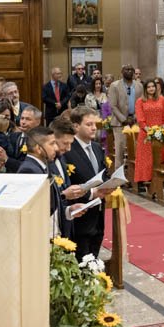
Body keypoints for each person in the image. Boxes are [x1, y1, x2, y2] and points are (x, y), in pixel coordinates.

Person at [18, 126, 84, 240]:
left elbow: (50, 203)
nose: (56, 148)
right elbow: (37, 210)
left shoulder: (43, 167)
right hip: (41, 236)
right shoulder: (29, 170)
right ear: (38, 148)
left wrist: (68, 210)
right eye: (52, 144)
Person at [63, 107, 113, 259]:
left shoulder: (97, 148)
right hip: (79, 217)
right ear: (76, 126)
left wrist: (109, 184)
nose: (93, 128)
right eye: (89, 124)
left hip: (97, 216)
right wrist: (92, 193)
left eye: (94, 124)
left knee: (93, 261)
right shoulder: (68, 150)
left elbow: (103, 173)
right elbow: (67, 184)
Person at [134, 78, 164, 183]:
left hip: (161, 134)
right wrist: (150, 132)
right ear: (145, 89)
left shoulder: (162, 99)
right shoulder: (140, 101)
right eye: (148, 87)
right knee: (147, 159)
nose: (151, 89)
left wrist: (161, 131)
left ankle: (161, 180)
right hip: (146, 134)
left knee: (160, 157)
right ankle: (146, 180)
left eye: (153, 86)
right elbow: (140, 119)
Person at [108, 65, 143, 168]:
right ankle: (119, 179)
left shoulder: (139, 86)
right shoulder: (114, 85)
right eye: (126, 70)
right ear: (122, 72)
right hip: (120, 123)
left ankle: (135, 177)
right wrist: (124, 119)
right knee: (120, 152)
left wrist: (135, 116)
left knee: (136, 150)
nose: (129, 71)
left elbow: (141, 104)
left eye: (131, 70)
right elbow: (113, 105)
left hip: (135, 121)